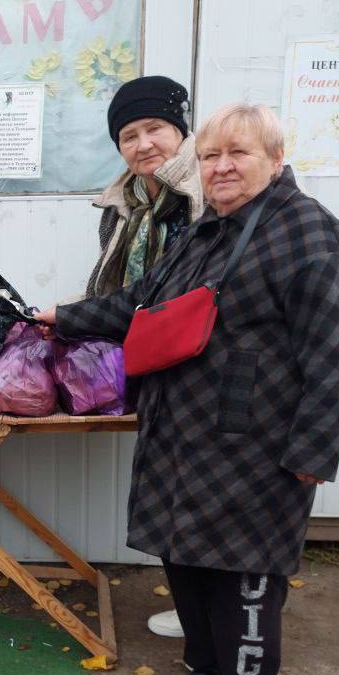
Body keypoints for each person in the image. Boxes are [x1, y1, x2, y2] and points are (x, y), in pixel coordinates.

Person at [34, 104, 339, 675]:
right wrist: (64, 316)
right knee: (188, 564)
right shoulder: (209, 232)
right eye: (211, 157)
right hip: (187, 439)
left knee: (244, 580)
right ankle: (209, 670)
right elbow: (140, 305)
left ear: (274, 155)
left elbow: (334, 357)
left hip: (259, 450)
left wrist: (310, 457)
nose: (222, 167)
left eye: (238, 153)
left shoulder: (313, 238)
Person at [87, 74, 204, 641]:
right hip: (151, 356)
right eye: (128, 135)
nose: (142, 144)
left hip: (199, 359)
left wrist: (74, 317)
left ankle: (213, 616)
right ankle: (197, 611)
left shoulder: (202, 196)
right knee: (173, 485)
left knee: (201, 487)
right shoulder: (123, 205)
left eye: (154, 128)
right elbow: (110, 280)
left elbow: (161, 291)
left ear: (181, 131)